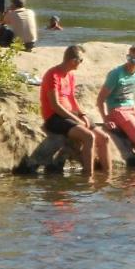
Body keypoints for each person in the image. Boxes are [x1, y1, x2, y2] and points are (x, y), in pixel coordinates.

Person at [40, 44, 112, 176]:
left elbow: (72, 98)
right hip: (54, 117)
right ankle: (88, 177)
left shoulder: (70, 75)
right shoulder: (53, 75)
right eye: (81, 60)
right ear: (74, 61)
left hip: (70, 114)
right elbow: (55, 105)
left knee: (104, 138)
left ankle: (108, 176)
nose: (81, 63)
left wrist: (81, 114)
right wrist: (76, 120)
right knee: (89, 136)